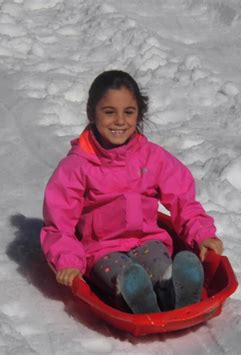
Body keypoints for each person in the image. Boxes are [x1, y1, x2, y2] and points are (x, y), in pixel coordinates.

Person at [40, 70, 223, 313]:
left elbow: (183, 201)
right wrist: (69, 262)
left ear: (139, 114)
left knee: (161, 270)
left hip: (148, 241)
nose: (119, 121)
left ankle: (176, 290)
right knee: (125, 276)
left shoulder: (152, 158)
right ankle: (136, 298)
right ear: (91, 113)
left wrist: (201, 234)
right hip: (102, 250)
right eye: (109, 112)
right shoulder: (77, 166)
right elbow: (59, 223)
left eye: (128, 112)